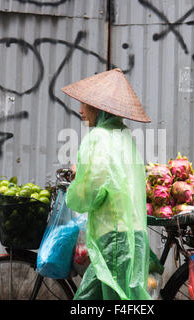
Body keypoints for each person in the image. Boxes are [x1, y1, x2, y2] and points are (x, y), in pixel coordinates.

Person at [61, 68, 152, 300]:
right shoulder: (123, 135)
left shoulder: (98, 138)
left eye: (84, 104)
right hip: (132, 234)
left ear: (98, 107)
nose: (80, 110)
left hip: (114, 238)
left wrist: (76, 182)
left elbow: (90, 192)